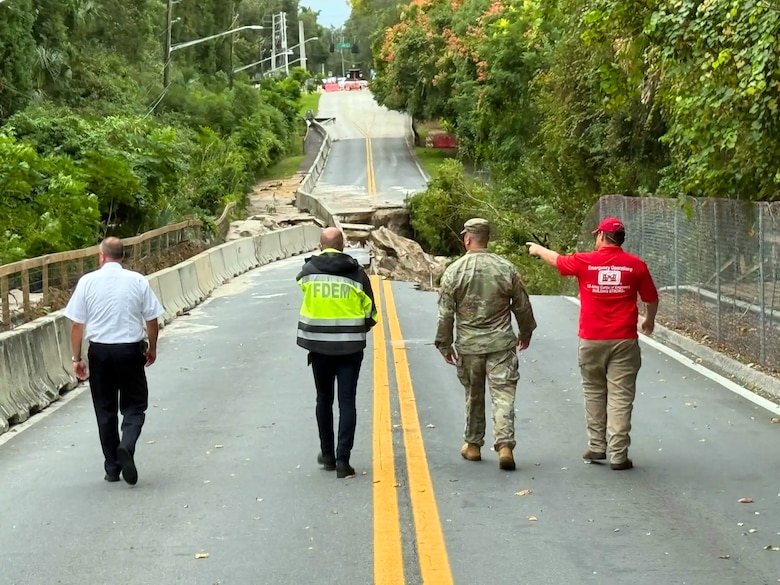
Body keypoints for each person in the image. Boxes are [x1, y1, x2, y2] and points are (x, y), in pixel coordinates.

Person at [527, 217, 658, 470]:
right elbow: (651, 298)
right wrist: (649, 321)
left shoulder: (585, 261)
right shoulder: (636, 265)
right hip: (624, 340)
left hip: (591, 339)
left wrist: (538, 249)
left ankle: (597, 446)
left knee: (594, 391)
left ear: (601, 237)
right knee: (620, 397)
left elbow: (557, 259)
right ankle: (619, 454)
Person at [435, 218, 537, 471]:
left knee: (474, 395)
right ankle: (504, 446)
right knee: (504, 396)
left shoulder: (454, 271)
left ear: (467, 239)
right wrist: (525, 332)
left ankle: (473, 445)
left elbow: (445, 313)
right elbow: (522, 306)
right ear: (487, 239)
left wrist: (444, 344)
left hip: (469, 346)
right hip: (501, 344)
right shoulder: (506, 268)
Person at [65, 237, 164, 485]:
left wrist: (76, 358)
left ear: (101, 256)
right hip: (130, 351)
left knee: (105, 410)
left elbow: (77, 324)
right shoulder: (137, 280)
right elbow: (152, 319)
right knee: (135, 406)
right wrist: (152, 348)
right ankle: (127, 445)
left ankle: (112, 467)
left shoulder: (87, 282)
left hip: (99, 353)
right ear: (123, 256)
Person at [296, 227, 377, 479]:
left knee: (323, 399)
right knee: (347, 401)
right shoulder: (357, 273)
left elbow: (303, 289)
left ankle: (327, 455)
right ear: (343, 246)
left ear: (321, 246)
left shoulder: (308, 273)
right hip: (349, 348)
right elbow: (371, 314)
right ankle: (344, 461)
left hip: (319, 348)